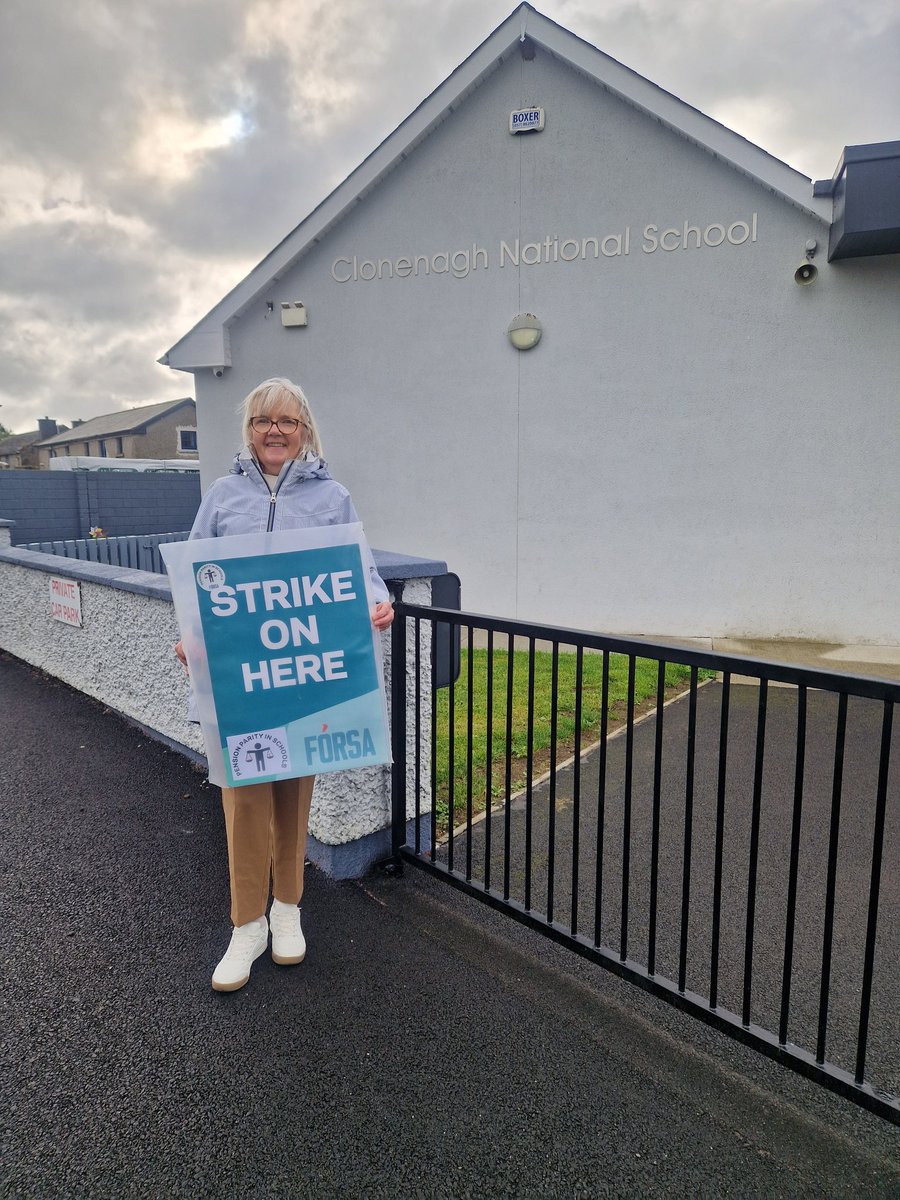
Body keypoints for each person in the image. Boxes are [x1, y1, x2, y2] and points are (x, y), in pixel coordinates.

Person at [175, 377, 394, 992]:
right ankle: (246, 925)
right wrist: (188, 635)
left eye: (287, 421)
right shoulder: (221, 496)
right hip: (241, 681)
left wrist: (376, 602)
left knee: (293, 796)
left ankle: (288, 911)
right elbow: (195, 578)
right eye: (264, 420)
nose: (275, 430)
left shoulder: (333, 497)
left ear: (305, 430)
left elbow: (363, 570)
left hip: (299, 680)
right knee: (244, 801)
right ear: (248, 431)